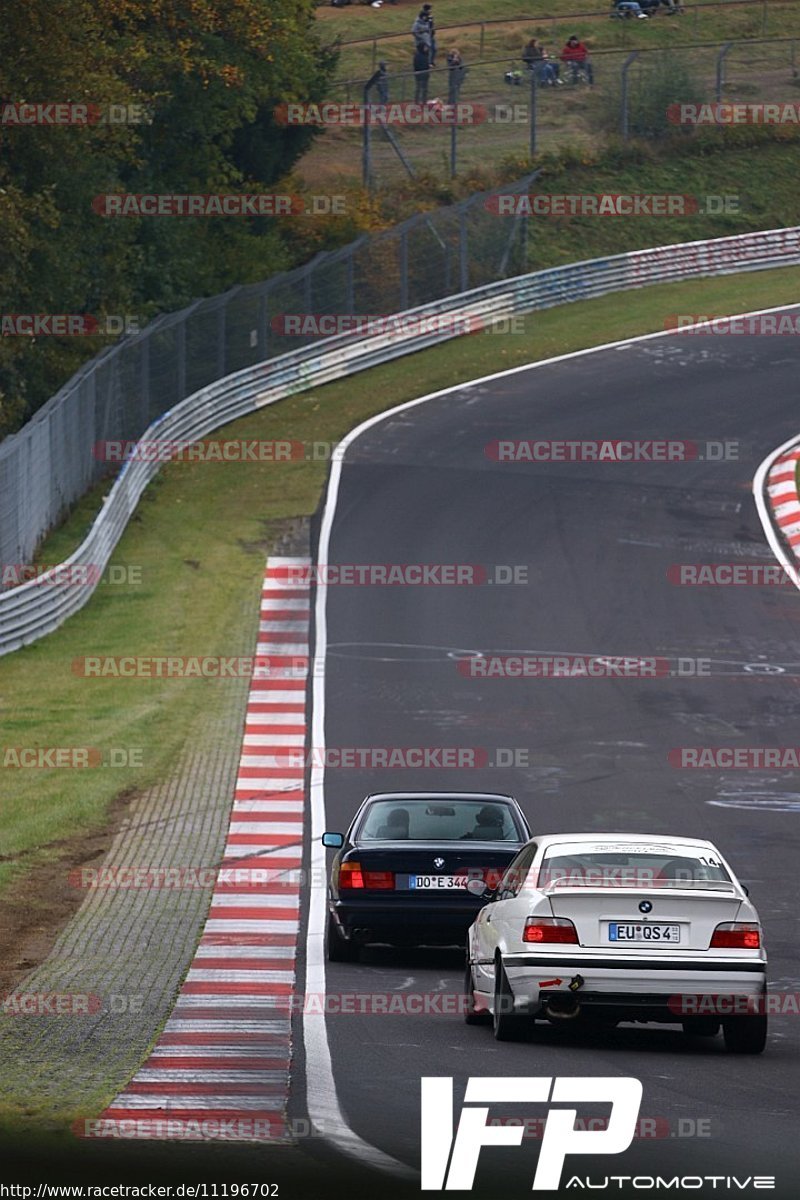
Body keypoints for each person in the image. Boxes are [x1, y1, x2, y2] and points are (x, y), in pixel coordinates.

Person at [413, 39, 430, 104]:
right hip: (420, 74)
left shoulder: (426, 54)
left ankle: (424, 101)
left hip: (426, 73)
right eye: (425, 47)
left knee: (425, 89)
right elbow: (416, 65)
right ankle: (417, 102)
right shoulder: (417, 56)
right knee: (419, 88)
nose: (426, 48)